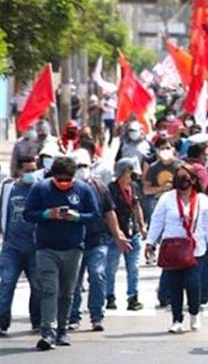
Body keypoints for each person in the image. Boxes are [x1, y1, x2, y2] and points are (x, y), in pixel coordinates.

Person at [24, 155, 100, 350]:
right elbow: (27, 213)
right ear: (53, 176)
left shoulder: (83, 189)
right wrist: (46, 214)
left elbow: (95, 215)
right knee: (49, 289)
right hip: (46, 248)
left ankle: (62, 330)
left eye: (68, 180)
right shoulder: (41, 188)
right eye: (60, 180)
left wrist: (77, 217)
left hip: (73, 248)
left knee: (67, 292)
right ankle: (47, 332)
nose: (64, 183)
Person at [145, 163, 208, 334]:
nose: (182, 180)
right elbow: (157, 221)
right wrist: (150, 242)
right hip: (173, 249)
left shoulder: (202, 199)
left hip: (195, 248)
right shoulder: (167, 198)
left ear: (193, 180)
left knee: (193, 283)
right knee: (175, 285)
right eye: (179, 176)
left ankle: (194, 313)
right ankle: (177, 319)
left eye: (186, 177)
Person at [68, 149, 128, 333]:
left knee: (97, 275)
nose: (81, 170)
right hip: (74, 243)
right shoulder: (65, 187)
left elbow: (110, 213)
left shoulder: (99, 187)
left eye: (84, 166)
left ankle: (96, 317)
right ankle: (73, 317)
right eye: (77, 166)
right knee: (74, 282)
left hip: (98, 240)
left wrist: (118, 235)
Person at [0, 157, 42, 335]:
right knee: (6, 284)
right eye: (27, 170)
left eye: (33, 170)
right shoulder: (9, 188)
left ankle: (37, 321)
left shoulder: (41, 189)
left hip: (35, 248)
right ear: (19, 171)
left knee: (37, 287)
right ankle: (2, 322)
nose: (30, 174)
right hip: (12, 248)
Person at [105, 158, 147, 312]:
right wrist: (117, 232)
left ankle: (133, 297)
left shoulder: (133, 187)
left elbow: (137, 207)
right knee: (111, 268)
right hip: (115, 235)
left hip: (132, 233)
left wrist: (142, 226)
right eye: (130, 172)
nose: (132, 176)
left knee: (134, 267)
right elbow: (109, 213)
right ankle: (109, 296)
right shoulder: (111, 189)